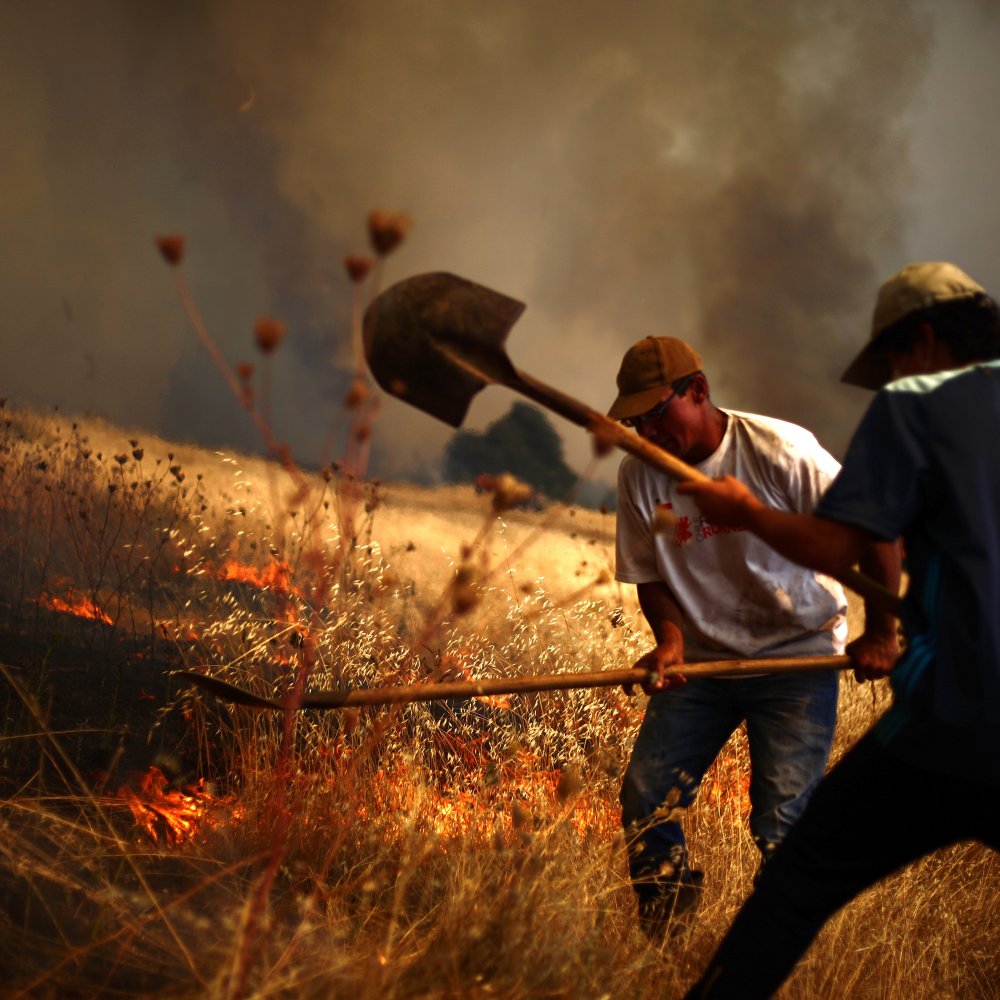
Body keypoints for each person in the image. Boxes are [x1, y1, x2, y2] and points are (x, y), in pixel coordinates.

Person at [678, 261, 1000, 998]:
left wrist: (746, 509)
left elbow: (833, 546)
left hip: (955, 717)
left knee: (799, 881)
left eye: (888, 361)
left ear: (921, 342)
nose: (889, 377)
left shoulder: (917, 404)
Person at [608, 336, 900, 935]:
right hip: (706, 666)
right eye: (634, 421)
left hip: (798, 659)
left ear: (698, 392)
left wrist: (883, 632)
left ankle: (771, 948)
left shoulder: (780, 452)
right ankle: (668, 930)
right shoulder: (642, 477)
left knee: (782, 825)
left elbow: (877, 532)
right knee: (645, 800)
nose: (645, 432)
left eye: (655, 415)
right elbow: (651, 571)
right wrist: (670, 638)